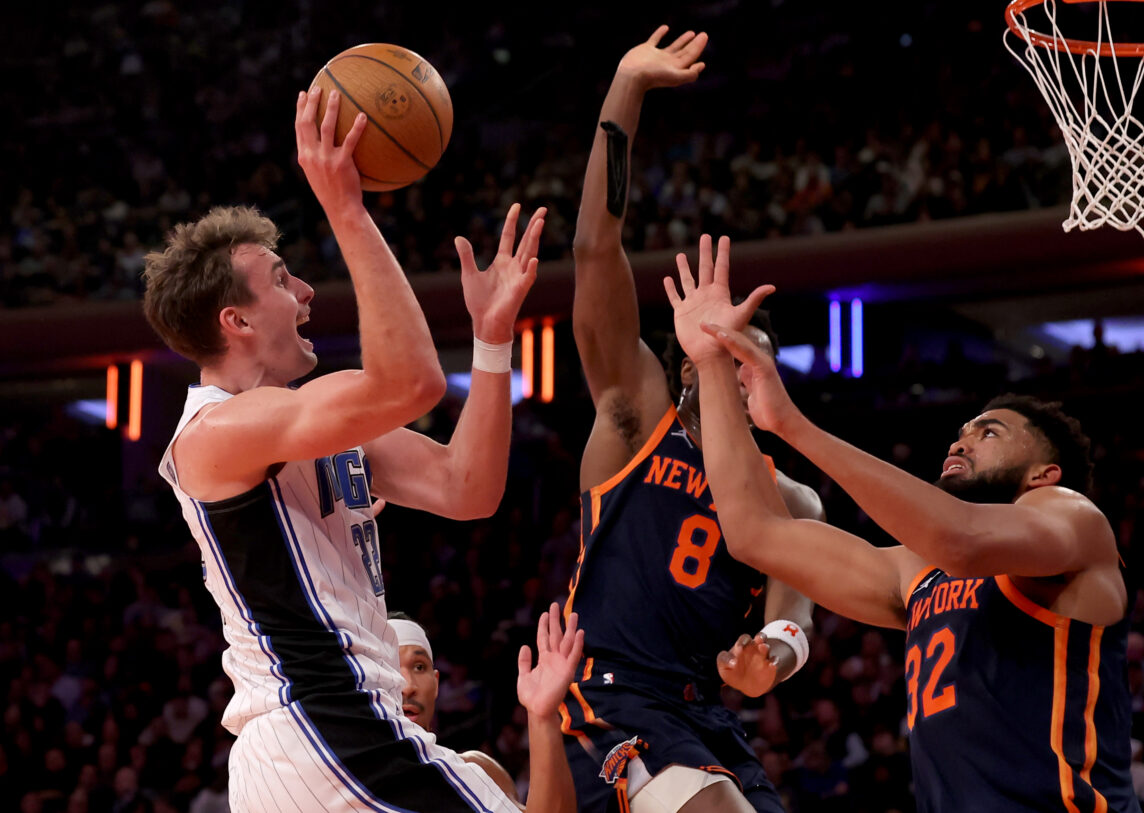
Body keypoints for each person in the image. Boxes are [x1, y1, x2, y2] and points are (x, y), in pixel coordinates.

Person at [142, 85, 576, 813]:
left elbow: (468, 486)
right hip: (324, 722)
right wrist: (347, 206)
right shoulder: (212, 436)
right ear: (236, 320)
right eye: (283, 278)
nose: (307, 291)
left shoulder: (324, 422)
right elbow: (410, 380)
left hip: (323, 740)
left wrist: (493, 340)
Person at [662, 235, 1140, 812]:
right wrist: (713, 364)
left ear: (1044, 473)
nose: (962, 439)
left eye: (990, 432)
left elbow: (960, 538)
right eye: (962, 430)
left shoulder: (1072, 519)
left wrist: (792, 424)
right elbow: (754, 531)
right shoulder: (918, 572)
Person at [563, 27, 823, 813]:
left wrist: (768, 660)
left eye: (748, 359)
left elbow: (794, 618)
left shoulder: (794, 498)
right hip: (611, 696)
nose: (730, 371)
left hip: (705, 715)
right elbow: (592, 250)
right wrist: (626, 91)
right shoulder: (636, 420)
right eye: (716, 357)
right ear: (683, 370)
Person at [388, 612, 522, 803]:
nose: (408, 686)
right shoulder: (342, 779)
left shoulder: (479, 773)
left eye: (419, 667)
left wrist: (543, 717)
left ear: (436, 684)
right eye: (392, 668)